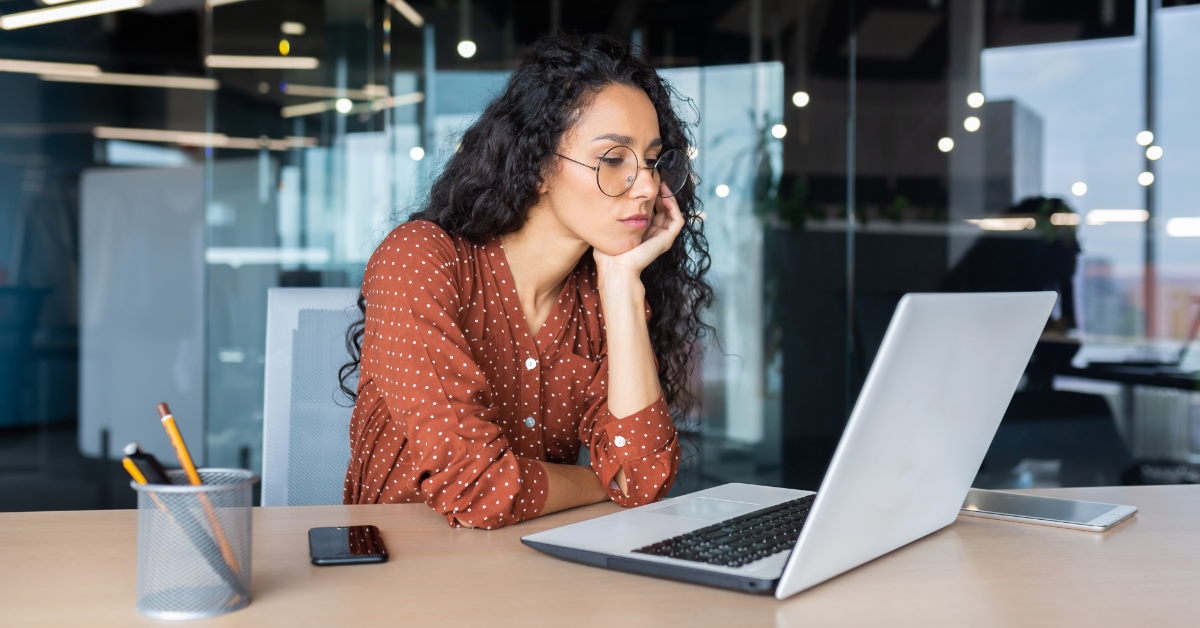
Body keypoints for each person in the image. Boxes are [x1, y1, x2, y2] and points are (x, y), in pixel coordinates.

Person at [338, 33, 714, 530]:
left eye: (651, 160)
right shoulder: (421, 260)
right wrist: (603, 483)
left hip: (536, 570)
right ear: (537, 165)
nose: (646, 186)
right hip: (402, 575)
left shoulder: (599, 294)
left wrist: (622, 283)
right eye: (614, 159)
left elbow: (643, 479)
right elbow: (479, 490)